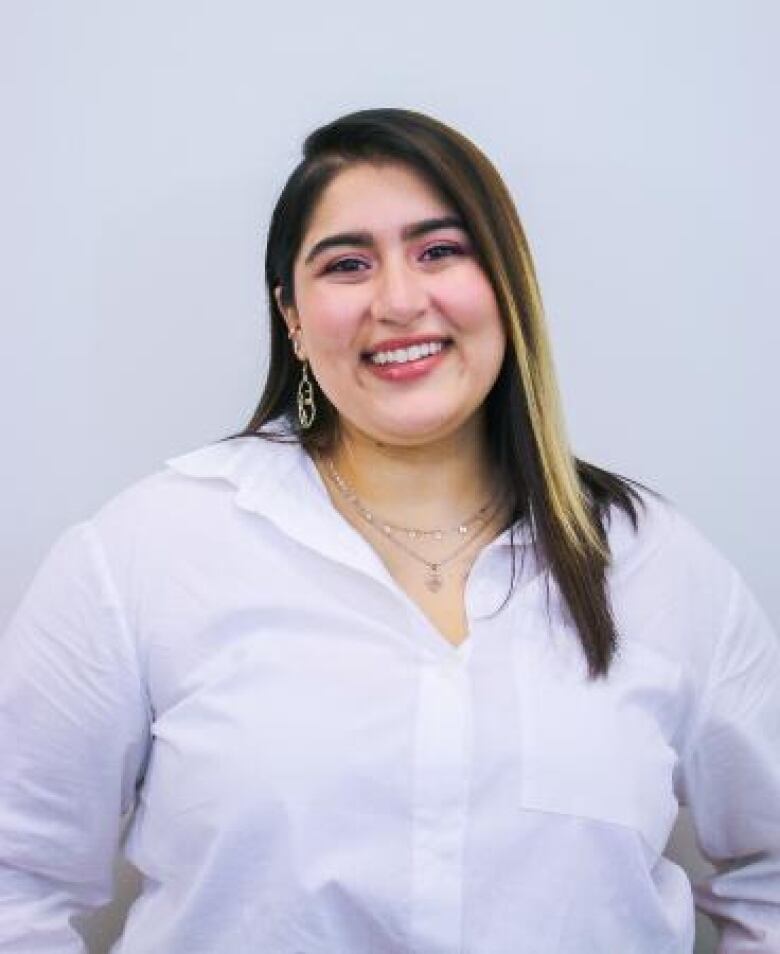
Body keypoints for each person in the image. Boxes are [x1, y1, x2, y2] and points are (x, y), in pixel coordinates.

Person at [0, 108, 778, 954]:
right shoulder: (145, 555)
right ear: (291, 317)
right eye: (347, 264)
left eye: (440, 251)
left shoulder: (656, 564)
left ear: (508, 286)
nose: (401, 300)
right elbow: (16, 882)